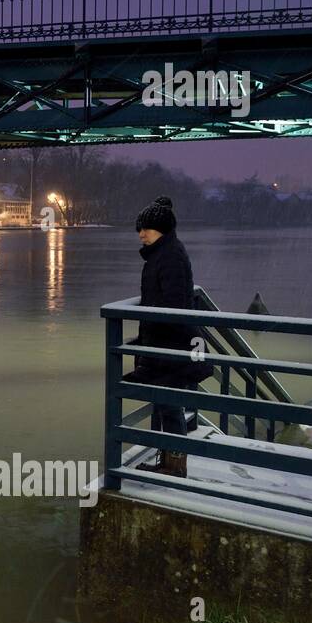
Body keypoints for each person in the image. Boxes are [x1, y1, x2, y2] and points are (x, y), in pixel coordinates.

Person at [123, 196, 212, 478]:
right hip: (166, 343)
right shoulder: (165, 252)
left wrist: (153, 338)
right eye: (140, 229)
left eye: (146, 229)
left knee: (170, 406)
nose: (141, 234)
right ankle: (169, 461)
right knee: (166, 404)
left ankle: (175, 466)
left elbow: (173, 303)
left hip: (170, 345)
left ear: (160, 229)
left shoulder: (169, 256)